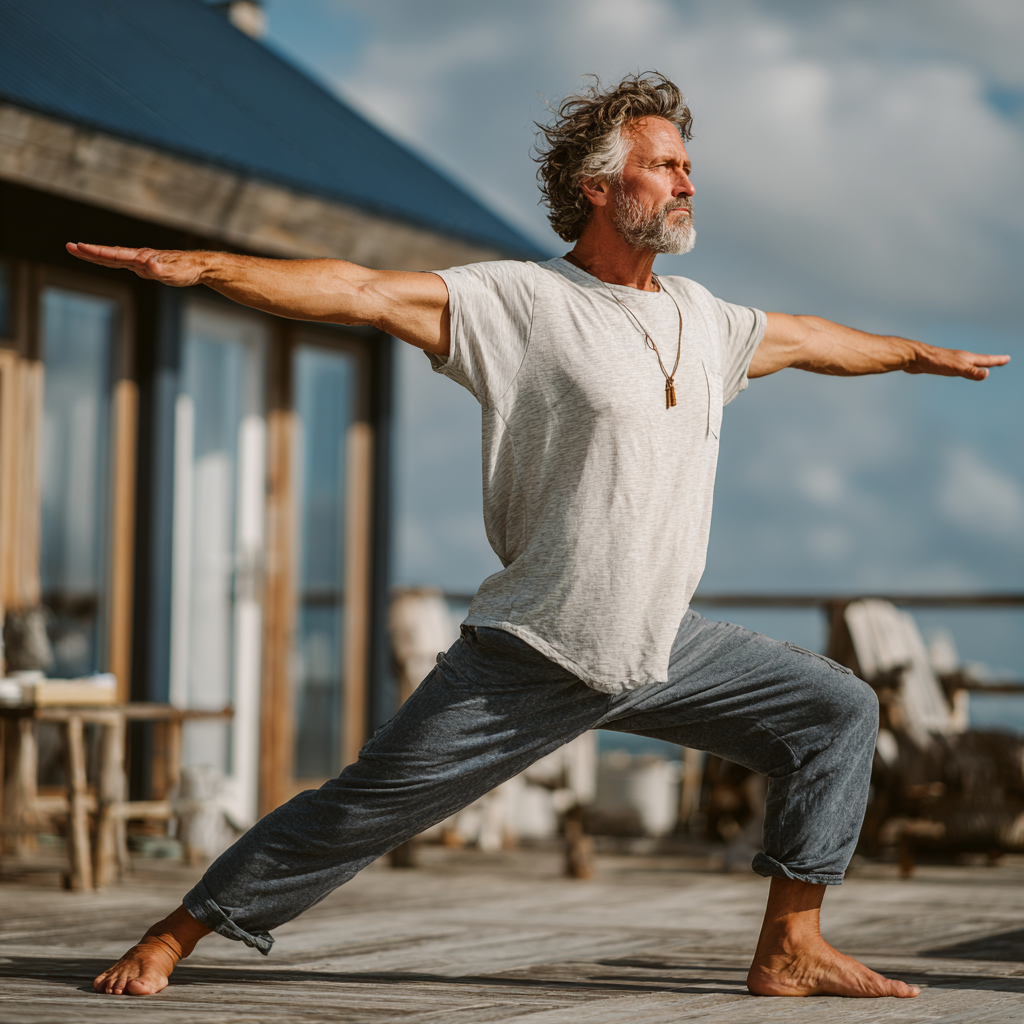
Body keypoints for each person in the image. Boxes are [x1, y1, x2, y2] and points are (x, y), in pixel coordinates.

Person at [72, 73, 1006, 999]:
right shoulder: (519, 303)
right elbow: (356, 289)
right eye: (662, 166)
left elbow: (806, 338)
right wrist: (205, 269)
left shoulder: (703, 318)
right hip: (536, 648)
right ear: (598, 188)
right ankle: (175, 933)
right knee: (359, 811)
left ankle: (792, 945)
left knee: (834, 712)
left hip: (660, 646)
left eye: (687, 166)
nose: (686, 183)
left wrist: (919, 356)